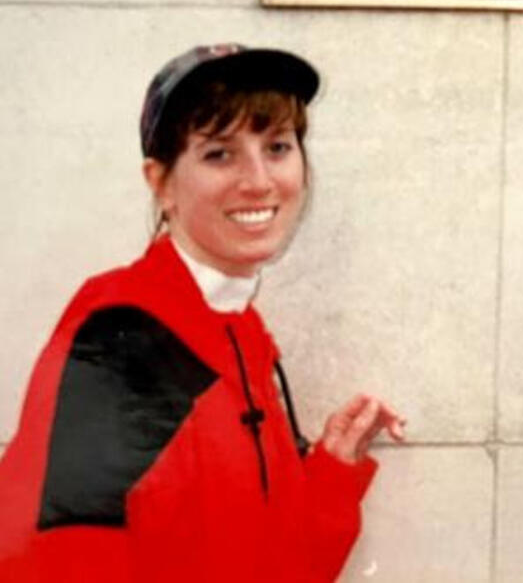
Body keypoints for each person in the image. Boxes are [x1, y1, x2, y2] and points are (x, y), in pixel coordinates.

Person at [0, 44, 405, 582]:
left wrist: (332, 469)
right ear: (161, 182)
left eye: (278, 146)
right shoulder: (125, 334)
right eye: (220, 154)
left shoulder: (238, 327)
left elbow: (275, 565)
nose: (259, 180)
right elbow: (49, 561)